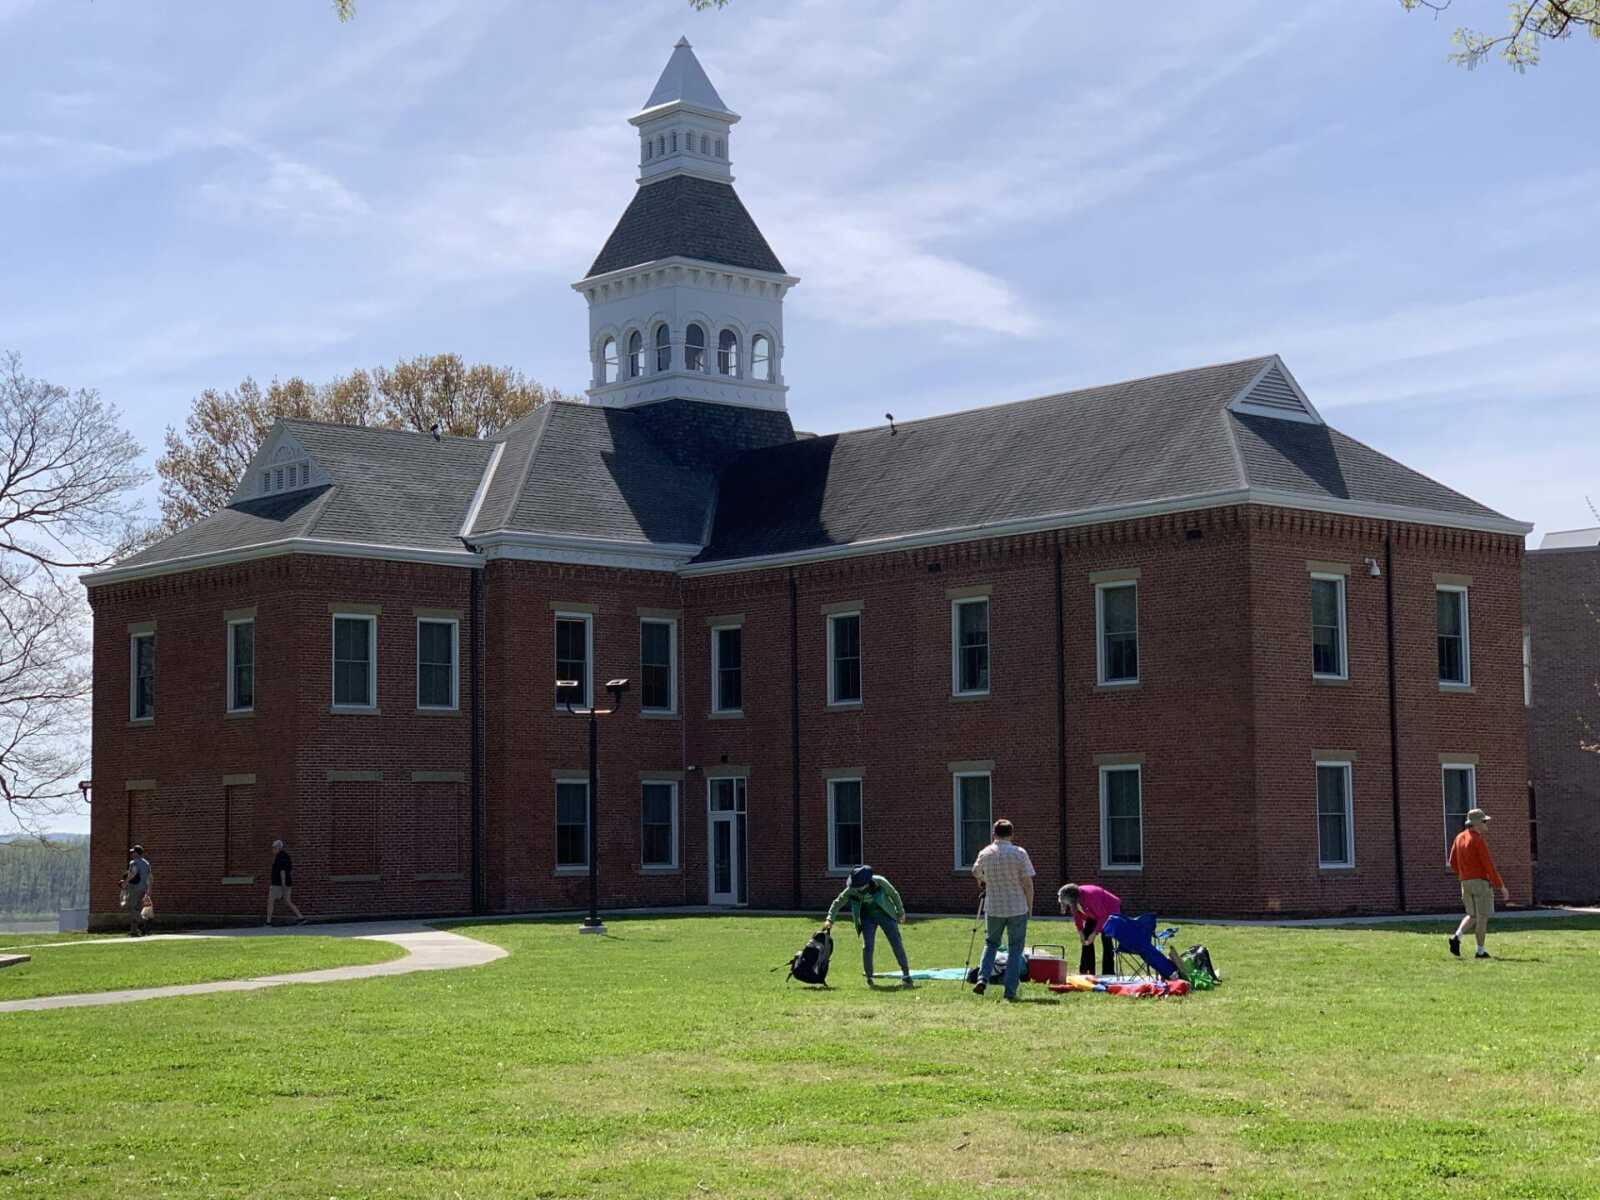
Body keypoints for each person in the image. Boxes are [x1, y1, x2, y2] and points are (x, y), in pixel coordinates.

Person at [971, 818, 1035, 1000]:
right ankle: (1010, 990)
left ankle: (982, 978)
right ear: (1011, 834)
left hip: (994, 907)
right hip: (1017, 906)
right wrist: (1030, 907)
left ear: (994, 834)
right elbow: (1028, 883)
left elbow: (975, 871)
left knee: (991, 944)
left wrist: (985, 880)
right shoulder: (1019, 853)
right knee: (1015, 949)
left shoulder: (985, 852)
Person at [823, 865, 913, 988]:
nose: (858, 888)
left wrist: (900, 912)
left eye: (860, 885)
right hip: (867, 918)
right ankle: (869, 977)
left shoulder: (880, 881)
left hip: (885, 914)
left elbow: (894, 894)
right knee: (868, 946)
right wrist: (829, 919)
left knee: (896, 942)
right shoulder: (852, 889)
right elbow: (837, 902)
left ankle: (906, 975)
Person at [1448, 807, 1509, 959]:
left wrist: (1463, 874)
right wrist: (1501, 886)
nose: (1486, 824)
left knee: (1472, 915)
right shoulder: (1477, 840)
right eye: (1484, 821)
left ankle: (1456, 937)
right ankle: (1480, 951)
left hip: (1465, 882)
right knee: (1482, 917)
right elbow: (1488, 865)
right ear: (1476, 823)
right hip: (1480, 883)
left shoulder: (1459, 837)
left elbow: (1452, 861)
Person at [1058, 882, 1118, 976]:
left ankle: (1108, 972)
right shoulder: (1074, 900)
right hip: (1096, 914)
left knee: (1106, 939)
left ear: (1072, 898)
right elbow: (1077, 917)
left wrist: (1094, 934)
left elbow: (1103, 916)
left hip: (1110, 911)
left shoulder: (1090, 897)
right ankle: (1087, 970)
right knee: (1086, 937)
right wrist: (1081, 933)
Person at [267, 839, 307, 926]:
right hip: (287, 882)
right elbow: (289, 870)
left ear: (278, 848)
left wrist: (283, 884)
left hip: (278, 884)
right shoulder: (286, 856)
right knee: (287, 901)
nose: (272, 850)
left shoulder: (280, 857)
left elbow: (283, 871)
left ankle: (268, 922)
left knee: (270, 901)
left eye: (274, 848)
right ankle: (301, 917)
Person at [121, 845, 152, 937]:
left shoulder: (133, 862)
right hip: (143, 889)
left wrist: (125, 882)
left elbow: (133, 873)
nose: (132, 854)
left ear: (137, 853)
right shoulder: (147, 863)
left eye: (133, 852)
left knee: (133, 909)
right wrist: (149, 890)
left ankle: (134, 931)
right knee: (138, 909)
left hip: (134, 888)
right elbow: (150, 877)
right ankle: (143, 927)